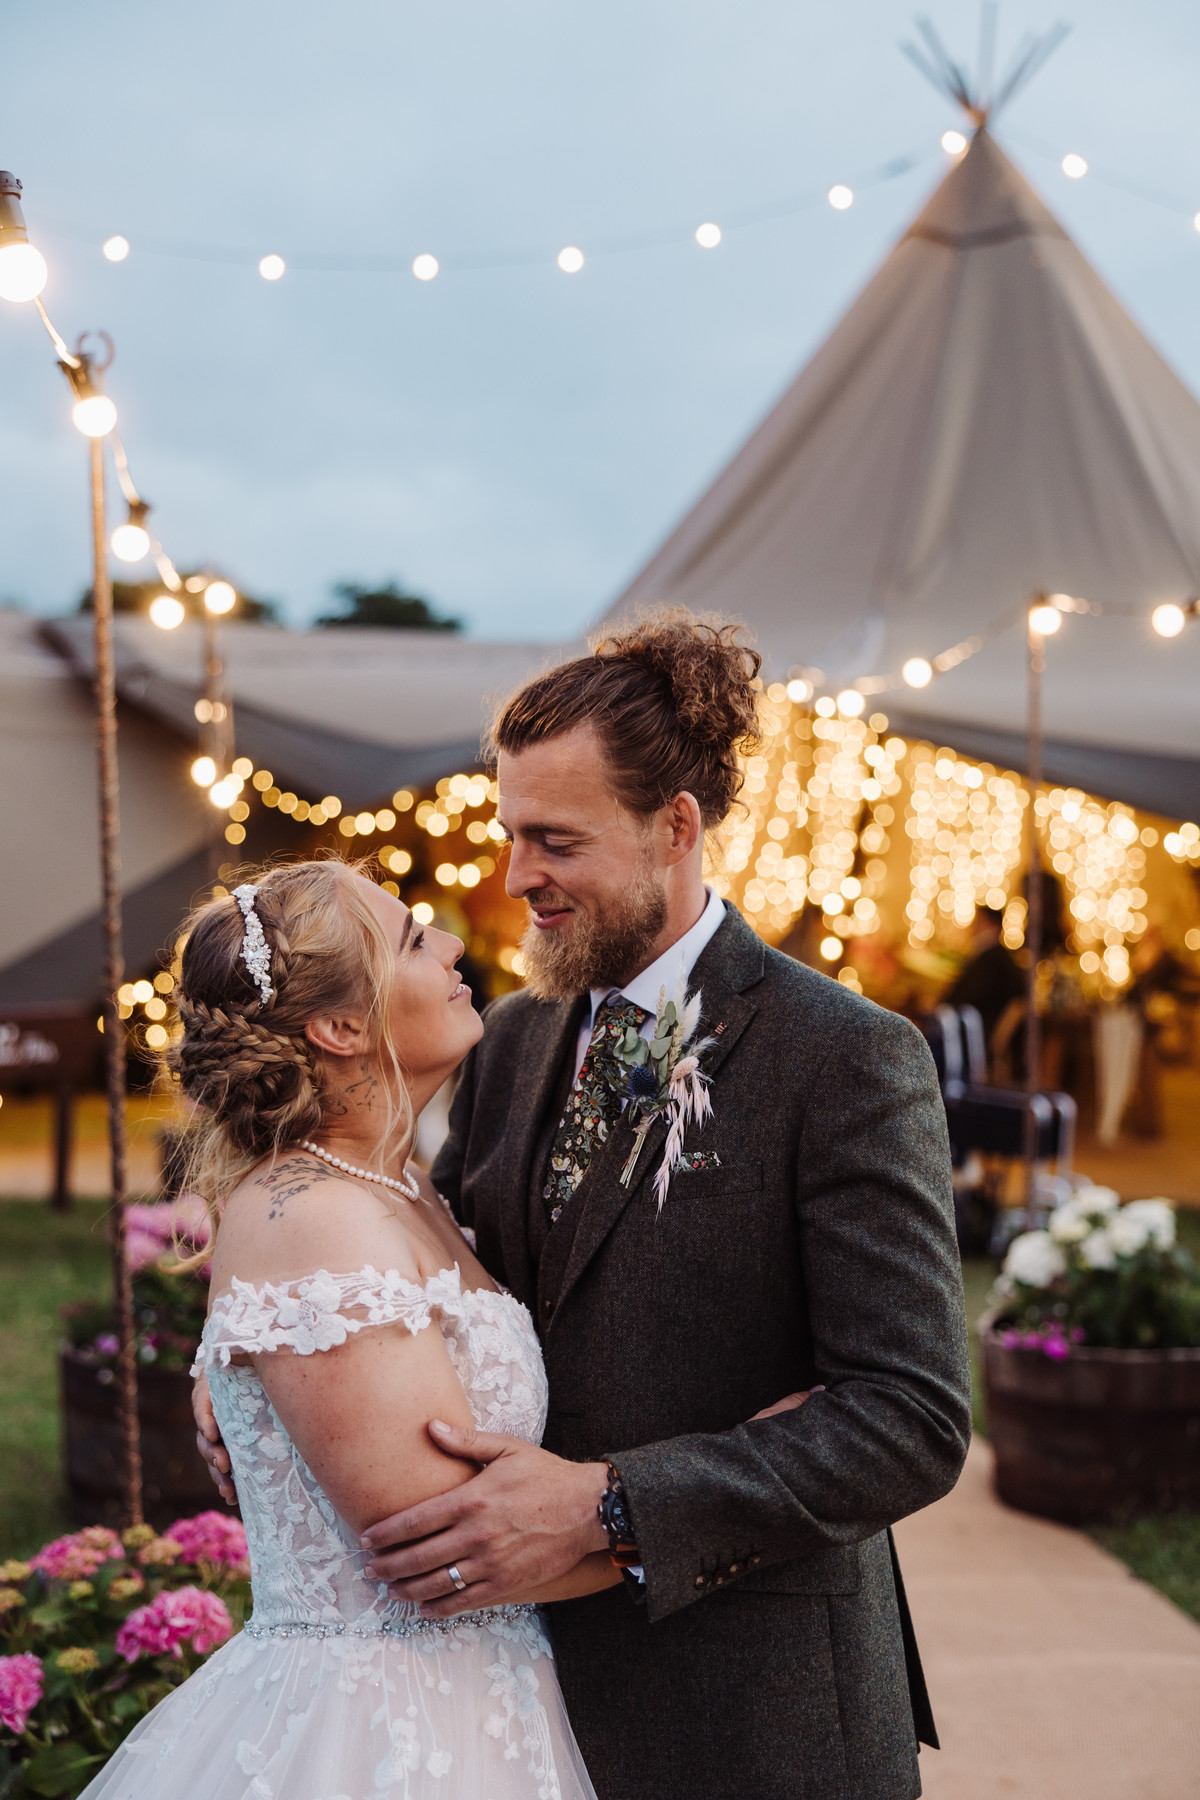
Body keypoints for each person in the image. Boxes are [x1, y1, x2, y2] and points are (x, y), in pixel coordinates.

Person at [197, 611, 971, 1800]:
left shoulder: (844, 1057)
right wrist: (259, 1354)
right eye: (511, 835)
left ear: (675, 828)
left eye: (554, 841)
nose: (516, 882)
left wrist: (615, 1507)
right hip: (524, 1698)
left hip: (754, 1702)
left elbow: (909, 1416)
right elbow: (424, 1270)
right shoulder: (513, 1038)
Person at [84, 860, 611, 1800]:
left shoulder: (396, 1185)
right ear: (340, 1028)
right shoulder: (316, 1216)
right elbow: (443, 1550)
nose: (452, 945)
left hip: (478, 1703)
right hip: (384, 1736)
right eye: (413, 938)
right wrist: (716, 1520)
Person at [943, 904, 1024, 1058]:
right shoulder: (988, 955)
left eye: (977, 921)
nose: (973, 927)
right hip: (971, 1028)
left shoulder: (993, 958)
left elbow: (972, 994)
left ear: (989, 923)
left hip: (976, 1031)